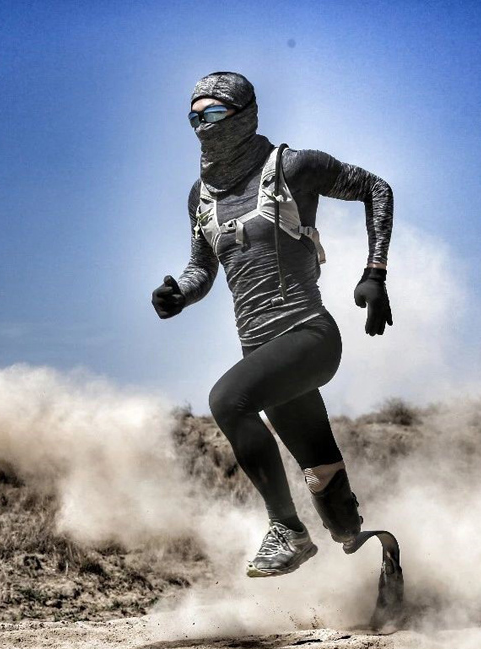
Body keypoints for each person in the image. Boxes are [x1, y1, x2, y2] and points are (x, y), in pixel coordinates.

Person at [152, 71, 395, 578]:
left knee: (227, 401)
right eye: (193, 117)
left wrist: (375, 273)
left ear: (244, 114)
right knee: (324, 480)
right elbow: (202, 268)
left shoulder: (293, 168)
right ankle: (374, 562)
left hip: (308, 336)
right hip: (261, 352)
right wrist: (180, 293)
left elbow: (376, 187)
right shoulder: (201, 195)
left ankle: (287, 530)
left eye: (214, 113)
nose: (202, 125)